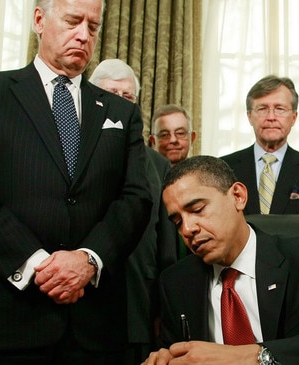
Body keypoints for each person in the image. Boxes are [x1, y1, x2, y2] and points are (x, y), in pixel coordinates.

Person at [0, 0, 153, 364]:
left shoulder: (121, 112)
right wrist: (36, 264)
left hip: (94, 325)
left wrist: (89, 260)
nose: (83, 35)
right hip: (3, 316)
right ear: (39, 20)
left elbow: (136, 198)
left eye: (92, 27)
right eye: (73, 21)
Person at [141, 156, 299, 365]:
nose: (188, 228)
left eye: (197, 209)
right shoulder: (176, 282)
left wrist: (251, 357)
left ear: (238, 196)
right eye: (177, 221)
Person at [90, 58, 178, 365]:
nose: (120, 102)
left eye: (128, 97)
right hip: (84, 307)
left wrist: (163, 311)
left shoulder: (158, 164)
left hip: (140, 307)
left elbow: (166, 245)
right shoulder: (71, 153)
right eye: (111, 93)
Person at [221, 75, 299, 215]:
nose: (271, 117)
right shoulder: (223, 169)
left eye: (280, 109)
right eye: (262, 109)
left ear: (294, 118)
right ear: (249, 117)